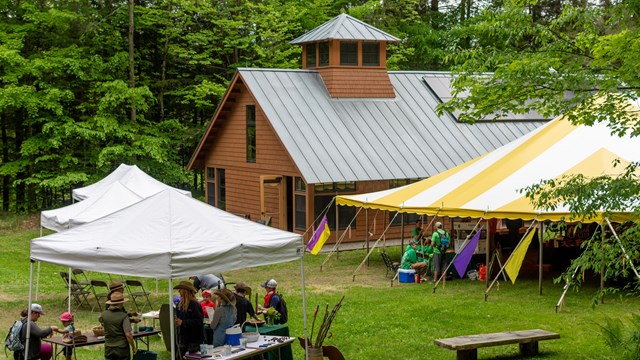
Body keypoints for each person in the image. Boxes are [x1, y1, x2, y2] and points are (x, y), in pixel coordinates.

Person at [101, 292, 136, 360]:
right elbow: (128, 334)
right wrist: (133, 347)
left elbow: (102, 324)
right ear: (121, 304)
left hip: (108, 347)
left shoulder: (104, 314)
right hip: (121, 348)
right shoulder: (124, 316)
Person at [173, 281, 204, 356]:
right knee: (179, 357)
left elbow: (199, 321)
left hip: (193, 338)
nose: (179, 291)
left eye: (180, 289)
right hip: (183, 337)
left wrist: (183, 322)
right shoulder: (180, 304)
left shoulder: (194, 304)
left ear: (185, 291)